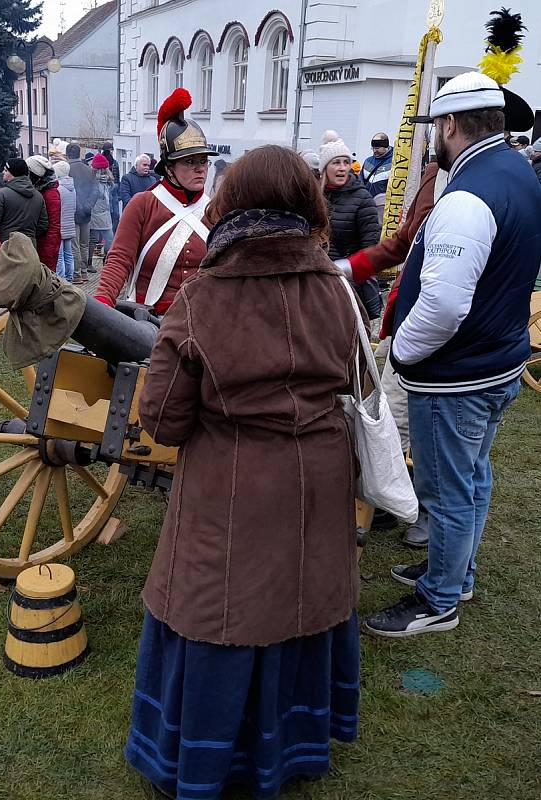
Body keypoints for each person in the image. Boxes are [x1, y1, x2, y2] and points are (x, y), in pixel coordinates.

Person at [125, 145, 363, 799]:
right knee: (299, 605)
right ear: (308, 205)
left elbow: (163, 421)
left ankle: (206, 761)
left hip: (229, 485)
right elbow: (348, 377)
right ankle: (293, 746)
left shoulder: (200, 300)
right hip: (316, 477)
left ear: (228, 208)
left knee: (220, 616)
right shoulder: (336, 289)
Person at [364, 71, 541, 638]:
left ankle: (438, 599)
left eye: (433, 130)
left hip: (458, 375)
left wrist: (404, 354)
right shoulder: (517, 172)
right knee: (473, 477)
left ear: (449, 125)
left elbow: (441, 305)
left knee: (446, 488)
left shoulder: (467, 196)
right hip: (496, 360)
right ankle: (454, 571)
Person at [335, 160, 446, 547]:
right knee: (392, 412)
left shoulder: (465, 184)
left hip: (434, 328)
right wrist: (348, 268)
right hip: (407, 320)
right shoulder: (433, 172)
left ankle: (419, 509)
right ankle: (386, 495)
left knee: (418, 425)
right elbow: (404, 242)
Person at [96, 88, 215, 315]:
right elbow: (120, 259)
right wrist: (102, 302)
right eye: (189, 161)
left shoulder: (215, 210)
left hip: (203, 323)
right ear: (169, 168)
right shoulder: (143, 204)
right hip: (149, 322)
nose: (200, 168)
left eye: (203, 160)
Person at [320, 138, 382, 319]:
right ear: (325, 168)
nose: (342, 168)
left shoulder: (363, 199)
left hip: (350, 287)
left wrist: (348, 275)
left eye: (346, 162)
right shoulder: (315, 197)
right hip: (319, 284)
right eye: (336, 162)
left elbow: (370, 250)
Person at [0, 157, 48, 250]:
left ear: (13, 173)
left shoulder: (2, 194)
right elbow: (43, 225)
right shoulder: (38, 196)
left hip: (7, 246)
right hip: (30, 247)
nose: (3, 172)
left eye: (5, 170)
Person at [66, 142, 99, 283]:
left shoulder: (67, 170)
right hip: (86, 213)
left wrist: (79, 206)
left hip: (72, 213)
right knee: (84, 244)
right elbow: (95, 191)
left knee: (75, 245)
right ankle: (84, 272)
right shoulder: (89, 170)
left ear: (67, 154)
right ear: (79, 153)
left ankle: (77, 274)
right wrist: (88, 206)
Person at [26, 155, 61, 272]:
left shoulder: (50, 194)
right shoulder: (44, 190)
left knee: (47, 276)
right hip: (46, 241)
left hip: (47, 243)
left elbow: (53, 224)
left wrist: (47, 249)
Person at [52, 160, 77, 283]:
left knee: (60, 256)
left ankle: (61, 280)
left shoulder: (59, 189)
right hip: (70, 224)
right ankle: (69, 278)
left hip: (60, 225)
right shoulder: (73, 188)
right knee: (69, 254)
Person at [88, 153, 114, 268]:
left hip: (103, 214)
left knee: (104, 239)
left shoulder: (107, 182)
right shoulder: (96, 182)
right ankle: (92, 263)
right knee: (98, 239)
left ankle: (103, 262)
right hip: (97, 213)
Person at [361, 133, 394, 199]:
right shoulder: (368, 161)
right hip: (366, 204)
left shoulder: (394, 162)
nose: (374, 151)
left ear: (385, 147)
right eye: (373, 148)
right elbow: (360, 182)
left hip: (383, 205)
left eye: (377, 148)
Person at [101, 141, 121, 231]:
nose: (111, 152)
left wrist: (119, 192)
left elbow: (118, 177)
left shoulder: (115, 162)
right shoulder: (100, 162)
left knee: (116, 215)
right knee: (107, 214)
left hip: (114, 192)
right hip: (105, 191)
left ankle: (114, 235)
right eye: (109, 150)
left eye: (111, 150)